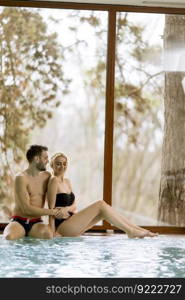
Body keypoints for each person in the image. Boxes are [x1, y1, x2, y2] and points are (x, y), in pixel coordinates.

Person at [48, 152, 158, 238]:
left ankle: (138, 229)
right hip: (64, 227)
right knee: (100, 204)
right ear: (52, 165)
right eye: (58, 164)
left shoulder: (67, 182)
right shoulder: (53, 181)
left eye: (64, 163)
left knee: (103, 212)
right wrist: (53, 233)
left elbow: (74, 206)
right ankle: (131, 231)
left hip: (73, 222)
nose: (62, 166)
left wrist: (67, 208)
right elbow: (51, 210)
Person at [3, 145, 64, 240]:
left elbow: (59, 185)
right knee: (9, 237)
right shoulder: (21, 178)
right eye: (45, 158)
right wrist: (52, 212)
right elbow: (26, 209)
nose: (48, 161)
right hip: (19, 222)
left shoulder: (47, 176)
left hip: (36, 223)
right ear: (36, 159)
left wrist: (67, 209)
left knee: (48, 236)